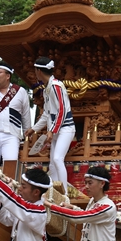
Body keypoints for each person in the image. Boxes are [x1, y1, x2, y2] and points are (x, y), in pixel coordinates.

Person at [25, 56, 75, 193]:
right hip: (57, 129)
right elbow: (47, 114)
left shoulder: (56, 86)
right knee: (53, 163)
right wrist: (33, 129)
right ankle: (54, 192)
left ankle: (64, 193)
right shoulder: (47, 87)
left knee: (58, 159)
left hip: (66, 128)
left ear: (38, 71)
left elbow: (62, 110)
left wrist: (51, 130)